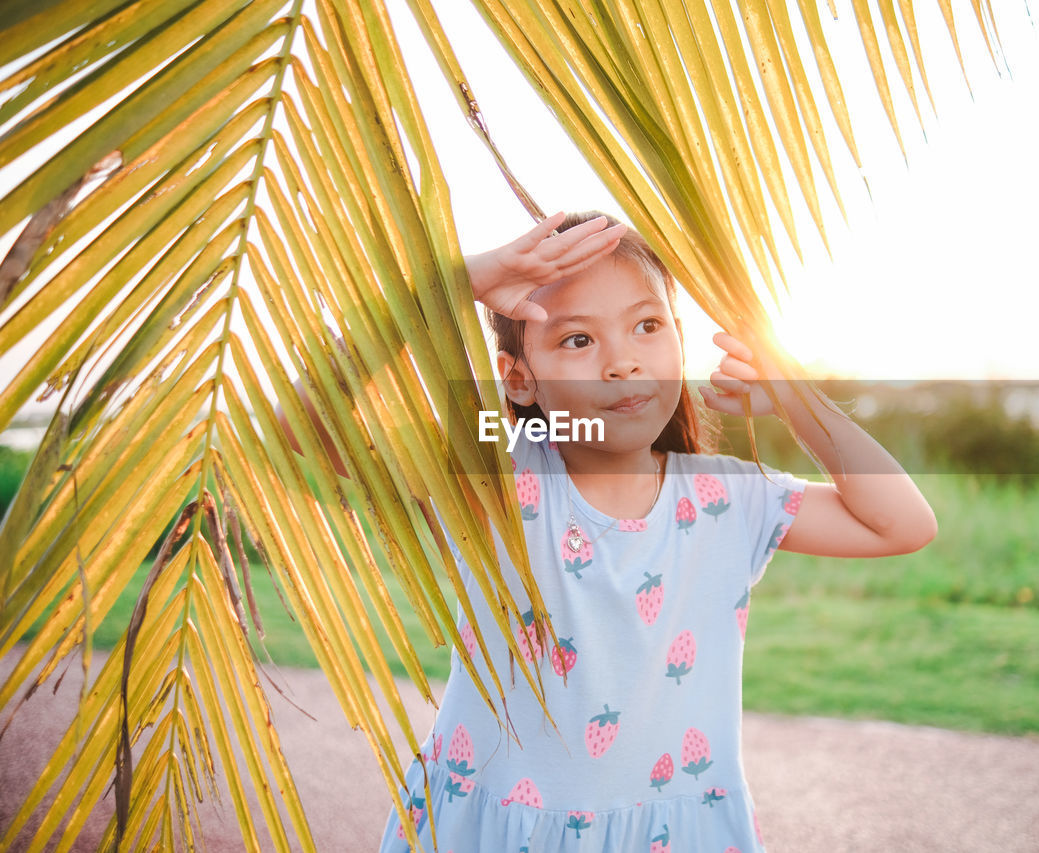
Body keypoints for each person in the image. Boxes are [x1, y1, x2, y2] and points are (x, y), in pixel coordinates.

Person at [286, 210, 937, 853]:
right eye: (578, 339)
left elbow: (903, 524)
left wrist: (795, 397)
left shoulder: (728, 498)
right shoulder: (497, 472)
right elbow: (301, 435)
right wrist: (455, 282)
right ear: (518, 377)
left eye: (647, 326)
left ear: (679, 338)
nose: (624, 362)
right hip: (495, 828)